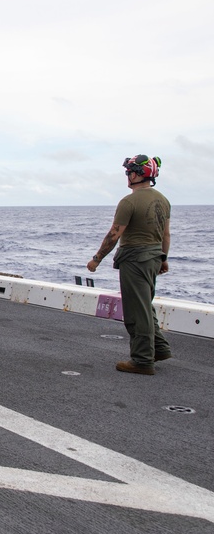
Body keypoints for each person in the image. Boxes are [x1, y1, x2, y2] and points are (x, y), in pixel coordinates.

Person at [86, 155, 172, 376]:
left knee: (136, 311)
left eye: (129, 172)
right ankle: (159, 348)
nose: (127, 175)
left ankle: (142, 359)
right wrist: (163, 258)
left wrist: (96, 259)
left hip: (135, 260)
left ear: (137, 174)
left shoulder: (129, 201)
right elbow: (166, 234)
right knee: (145, 305)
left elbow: (114, 235)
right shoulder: (163, 200)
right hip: (154, 258)